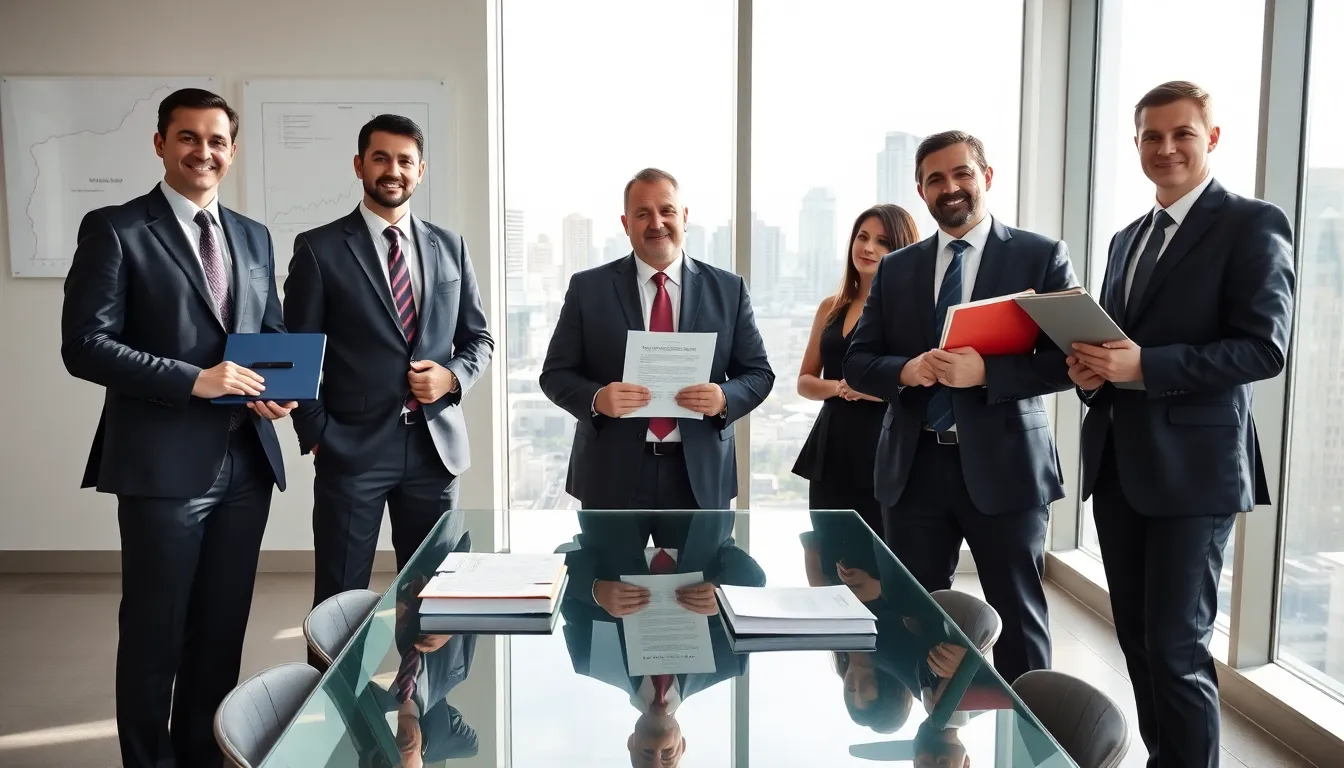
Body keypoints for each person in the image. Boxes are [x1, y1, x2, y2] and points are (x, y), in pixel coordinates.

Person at [60, 88, 295, 768]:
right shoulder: (116, 229)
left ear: (232, 149)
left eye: (216, 140)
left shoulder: (253, 235)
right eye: (188, 137)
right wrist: (194, 379)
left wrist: (277, 391)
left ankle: (201, 755)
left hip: (246, 464)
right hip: (161, 466)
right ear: (160, 144)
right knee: (154, 636)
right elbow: (85, 345)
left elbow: (267, 333)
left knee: (220, 634)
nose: (204, 151)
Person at [1066, 81, 1295, 768]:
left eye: (1182, 134)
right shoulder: (1124, 238)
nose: (1166, 148)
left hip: (1195, 475)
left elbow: (1264, 348)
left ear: (1211, 139)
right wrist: (1093, 374)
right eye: (1151, 136)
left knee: (1175, 644)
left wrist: (1142, 367)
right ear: (1135, 143)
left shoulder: (1252, 223)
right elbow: (1118, 349)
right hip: (1119, 464)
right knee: (1137, 639)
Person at [844, 130, 1078, 684]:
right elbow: (857, 362)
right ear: (921, 191)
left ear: (986, 177)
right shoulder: (898, 269)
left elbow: (1069, 359)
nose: (950, 187)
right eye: (935, 180)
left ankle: (1028, 743)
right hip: (914, 467)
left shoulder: (1039, 256)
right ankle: (934, 737)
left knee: (1018, 618)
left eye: (961, 174)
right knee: (915, 615)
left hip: (1007, 467)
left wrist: (986, 373)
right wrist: (904, 370)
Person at [284, 114, 494, 620]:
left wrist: (451, 377)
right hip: (351, 449)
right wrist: (317, 434)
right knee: (340, 598)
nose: (392, 170)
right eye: (380, 158)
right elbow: (298, 350)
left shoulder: (451, 245)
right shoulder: (319, 248)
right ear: (359, 165)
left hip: (434, 450)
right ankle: (332, 702)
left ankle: (422, 699)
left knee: (436, 596)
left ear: (421, 170)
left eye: (405, 160)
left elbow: (478, 339)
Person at [538, 167, 774, 510]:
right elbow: (555, 374)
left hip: (700, 474)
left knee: (702, 565)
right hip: (609, 472)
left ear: (685, 217)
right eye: (643, 214)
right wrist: (597, 399)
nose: (657, 223)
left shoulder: (728, 289)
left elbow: (759, 374)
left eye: (667, 211)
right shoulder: (588, 289)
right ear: (625, 224)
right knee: (607, 566)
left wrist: (724, 396)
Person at [558, 511, 763, 767]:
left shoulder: (590, 660)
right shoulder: (728, 662)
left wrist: (594, 589)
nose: (657, 753)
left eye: (646, 756)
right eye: (667, 758)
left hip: (615, 506)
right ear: (682, 745)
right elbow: (755, 578)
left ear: (631, 743)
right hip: (696, 505)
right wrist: (725, 594)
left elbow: (559, 569)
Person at [793, 205, 920, 535]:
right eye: (862, 237)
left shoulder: (910, 313)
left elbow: (920, 386)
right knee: (826, 550)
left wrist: (871, 389)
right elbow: (805, 381)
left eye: (883, 241)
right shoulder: (830, 307)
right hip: (831, 445)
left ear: (902, 250)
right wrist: (840, 387)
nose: (868, 248)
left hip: (883, 444)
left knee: (879, 556)